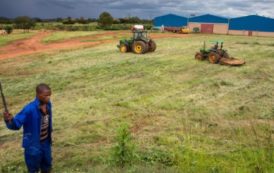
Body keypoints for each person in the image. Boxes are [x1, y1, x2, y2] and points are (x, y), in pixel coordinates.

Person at [3, 83, 53, 173]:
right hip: (33, 146)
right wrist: (9, 120)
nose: (48, 98)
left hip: (46, 143)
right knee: (33, 170)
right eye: (46, 96)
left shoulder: (48, 105)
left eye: (49, 95)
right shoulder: (29, 109)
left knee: (47, 166)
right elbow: (16, 124)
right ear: (38, 95)